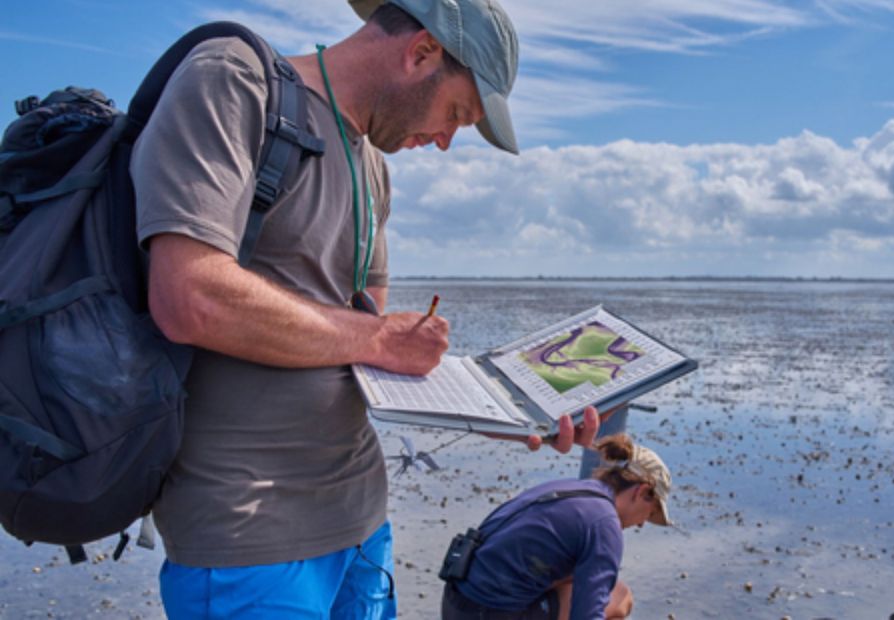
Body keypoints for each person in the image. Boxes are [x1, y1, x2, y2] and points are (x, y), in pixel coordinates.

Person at [130, 0, 601, 617]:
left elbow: (353, 344)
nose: (443, 142)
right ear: (422, 52)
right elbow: (188, 296)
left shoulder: (372, 165)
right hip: (246, 532)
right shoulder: (233, 80)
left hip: (361, 525)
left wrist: (507, 411)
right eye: (455, 113)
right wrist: (380, 339)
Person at [440, 434, 675, 620]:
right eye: (650, 512)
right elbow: (587, 615)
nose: (643, 523)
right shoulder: (605, 523)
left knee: (579, 580)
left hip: (456, 601)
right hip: (490, 612)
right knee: (620, 596)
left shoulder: (572, 489)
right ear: (642, 492)